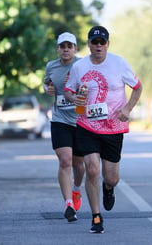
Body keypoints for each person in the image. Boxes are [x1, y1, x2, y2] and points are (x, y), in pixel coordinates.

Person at [64, 26, 142, 234]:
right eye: (94, 42)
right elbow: (69, 90)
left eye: (102, 42)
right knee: (92, 169)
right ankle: (96, 217)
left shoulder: (119, 63)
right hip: (87, 125)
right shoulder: (80, 67)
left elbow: (138, 86)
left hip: (114, 127)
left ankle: (108, 189)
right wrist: (74, 99)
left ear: (107, 44)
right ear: (89, 44)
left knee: (111, 177)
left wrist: (128, 108)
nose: (98, 46)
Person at [43, 32, 85, 222]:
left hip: (80, 120)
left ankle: (76, 190)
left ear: (75, 49)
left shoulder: (83, 65)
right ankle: (68, 203)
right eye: (63, 46)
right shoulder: (51, 66)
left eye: (70, 46)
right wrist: (47, 89)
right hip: (60, 120)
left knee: (80, 165)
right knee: (65, 160)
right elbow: (47, 84)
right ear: (58, 49)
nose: (66, 49)